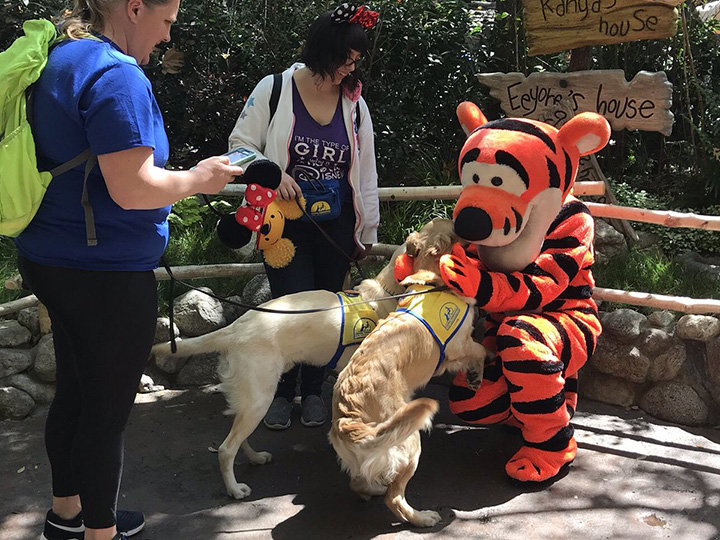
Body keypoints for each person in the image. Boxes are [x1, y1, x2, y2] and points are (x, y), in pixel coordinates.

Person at [14, 1, 243, 539]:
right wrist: (198, 177)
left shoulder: (60, 56)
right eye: (166, 22)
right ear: (135, 9)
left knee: (75, 388)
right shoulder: (118, 76)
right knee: (106, 410)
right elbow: (133, 186)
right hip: (105, 273)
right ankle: (101, 533)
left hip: (48, 255)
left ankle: (67, 514)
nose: (167, 36)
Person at [228, 3, 380, 430]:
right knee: (290, 310)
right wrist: (273, 175)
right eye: (344, 59)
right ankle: (281, 393)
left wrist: (367, 231)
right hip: (284, 228)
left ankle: (314, 391)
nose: (350, 68)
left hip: (336, 225)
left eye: (355, 61)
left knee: (329, 313)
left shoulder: (354, 104)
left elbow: (365, 170)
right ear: (323, 51)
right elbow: (239, 145)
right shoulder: (275, 89)